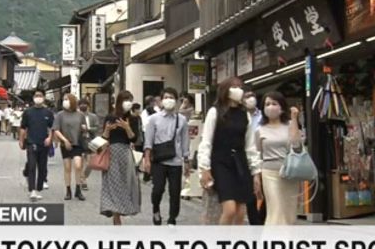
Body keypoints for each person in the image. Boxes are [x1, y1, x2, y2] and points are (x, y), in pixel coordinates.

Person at [198, 77, 263, 225]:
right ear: (225, 90)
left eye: (240, 86)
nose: (238, 90)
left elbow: (250, 145)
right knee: (230, 209)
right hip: (221, 162)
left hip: (240, 163)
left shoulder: (245, 114)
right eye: (234, 86)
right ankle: (222, 245)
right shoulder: (215, 112)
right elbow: (206, 141)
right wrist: (204, 168)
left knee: (240, 212)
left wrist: (256, 173)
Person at [143, 87, 190, 226]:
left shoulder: (181, 120)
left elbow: (185, 140)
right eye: (166, 97)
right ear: (161, 100)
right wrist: (147, 159)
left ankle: (172, 218)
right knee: (158, 189)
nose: (169, 100)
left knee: (175, 192)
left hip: (176, 161)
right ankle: (155, 209)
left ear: (176, 101)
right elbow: (148, 140)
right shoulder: (153, 119)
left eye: (172, 97)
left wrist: (186, 160)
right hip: (159, 160)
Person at [256, 91, 302, 225]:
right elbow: (257, 155)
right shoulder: (260, 130)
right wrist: (256, 177)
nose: (270, 107)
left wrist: (294, 119)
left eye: (274, 103)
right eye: (267, 104)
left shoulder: (289, 126)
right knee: (275, 210)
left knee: (289, 212)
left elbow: (297, 146)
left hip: (289, 173)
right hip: (269, 173)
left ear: (281, 107)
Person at [101, 90, 142, 225]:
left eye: (130, 99)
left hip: (125, 152)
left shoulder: (134, 118)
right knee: (113, 183)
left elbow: (134, 139)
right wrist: (107, 129)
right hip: (112, 152)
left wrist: (127, 127)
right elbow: (104, 137)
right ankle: (115, 213)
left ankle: (122, 209)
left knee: (126, 183)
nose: (128, 103)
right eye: (126, 99)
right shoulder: (110, 117)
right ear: (119, 101)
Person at [19, 89, 54, 201]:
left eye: (40, 96)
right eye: (36, 96)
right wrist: (21, 140)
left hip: (44, 143)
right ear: (33, 98)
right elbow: (23, 127)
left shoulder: (48, 113)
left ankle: (39, 188)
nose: (38, 97)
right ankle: (32, 190)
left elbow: (53, 128)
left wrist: (50, 138)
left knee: (42, 167)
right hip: (31, 142)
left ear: (43, 98)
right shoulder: (28, 112)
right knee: (32, 165)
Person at [53, 93, 88, 201]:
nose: (65, 101)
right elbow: (56, 129)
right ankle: (68, 190)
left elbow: (85, 129)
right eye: (64, 99)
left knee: (78, 165)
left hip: (77, 143)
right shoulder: (60, 115)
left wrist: (84, 128)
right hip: (65, 144)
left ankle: (78, 188)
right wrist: (64, 140)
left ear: (72, 101)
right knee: (67, 167)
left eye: (67, 99)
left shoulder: (80, 115)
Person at [243, 91, 266, 225]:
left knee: (265, 193)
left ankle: (261, 218)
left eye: (252, 95)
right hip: (246, 159)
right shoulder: (240, 117)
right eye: (247, 96)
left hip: (264, 158)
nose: (251, 99)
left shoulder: (264, 117)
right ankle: (255, 222)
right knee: (252, 194)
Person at [78, 99, 100, 191]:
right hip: (79, 141)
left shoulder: (93, 116)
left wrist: (88, 128)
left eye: (85, 104)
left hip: (91, 140)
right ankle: (83, 181)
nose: (83, 105)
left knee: (90, 163)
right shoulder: (76, 116)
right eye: (81, 104)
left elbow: (97, 127)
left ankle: (83, 177)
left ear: (88, 105)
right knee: (81, 162)